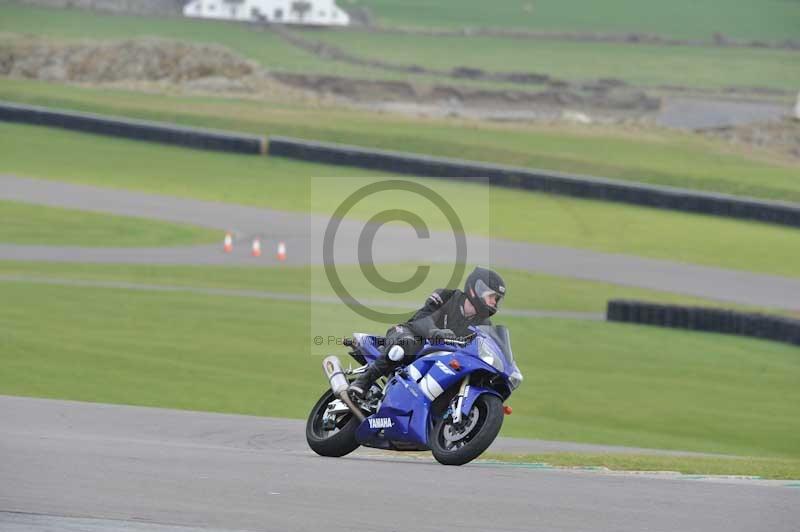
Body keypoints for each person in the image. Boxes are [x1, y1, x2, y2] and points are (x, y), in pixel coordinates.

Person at [347, 266, 506, 398]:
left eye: (497, 299)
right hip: (409, 334)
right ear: (476, 289)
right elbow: (422, 318)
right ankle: (363, 381)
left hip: (438, 356)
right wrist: (435, 331)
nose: (494, 302)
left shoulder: (484, 324)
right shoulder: (446, 296)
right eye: (492, 296)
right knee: (404, 346)